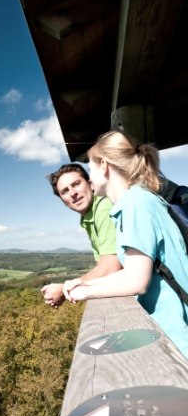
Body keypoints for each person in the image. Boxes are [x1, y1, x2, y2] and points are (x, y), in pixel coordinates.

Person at [63, 130, 188, 358]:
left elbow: (136, 281)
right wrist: (83, 285)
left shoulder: (135, 202)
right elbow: (133, 270)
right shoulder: (136, 201)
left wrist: (84, 293)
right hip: (169, 331)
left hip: (178, 335)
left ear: (104, 165)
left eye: (90, 168)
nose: (89, 178)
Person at [41, 163, 122, 307]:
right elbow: (102, 265)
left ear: (90, 184)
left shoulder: (104, 207)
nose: (72, 193)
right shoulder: (88, 217)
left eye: (76, 184)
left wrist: (64, 289)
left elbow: (110, 267)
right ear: (63, 202)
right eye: (65, 191)